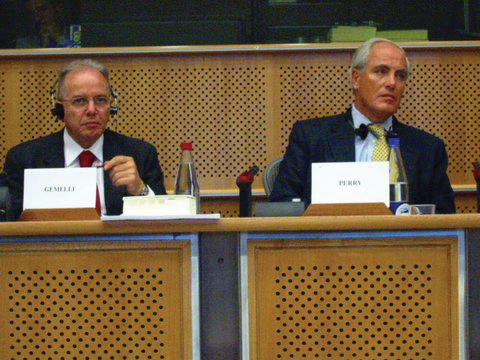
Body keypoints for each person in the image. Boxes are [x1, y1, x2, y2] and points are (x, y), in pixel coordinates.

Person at [269, 38, 455, 214]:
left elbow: (446, 218)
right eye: (381, 71)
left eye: (400, 76)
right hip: (327, 244)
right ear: (356, 79)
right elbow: (282, 204)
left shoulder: (428, 149)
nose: (392, 83)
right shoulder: (311, 137)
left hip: (400, 246)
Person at [3, 59, 166, 219]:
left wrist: (141, 190)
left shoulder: (140, 154)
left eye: (100, 100)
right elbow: (11, 228)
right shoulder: (25, 159)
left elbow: (167, 225)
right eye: (79, 101)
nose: (92, 110)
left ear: (111, 106)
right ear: (60, 107)